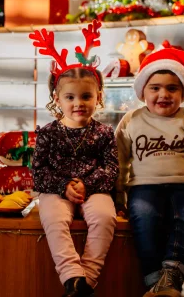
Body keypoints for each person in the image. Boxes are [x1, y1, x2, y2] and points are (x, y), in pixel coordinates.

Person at [115, 44, 184, 297]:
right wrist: (118, 197)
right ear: (142, 91)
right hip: (143, 187)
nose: (163, 94)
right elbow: (119, 162)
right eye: (155, 88)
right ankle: (155, 281)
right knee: (143, 216)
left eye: (172, 88)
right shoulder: (131, 121)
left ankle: (172, 276)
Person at [31, 21, 119, 297]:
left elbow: (111, 167)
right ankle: (71, 275)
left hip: (94, 190)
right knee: (53, 218)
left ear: (99, 97)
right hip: (56, 190)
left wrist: (87, 185)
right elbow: (39, 171)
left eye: (86, 96)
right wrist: (63, 186)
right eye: (70, 97)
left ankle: (86, 281)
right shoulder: (47, 133)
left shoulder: (104, 133)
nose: (78, 103)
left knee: (105, 217)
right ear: (57, 99)